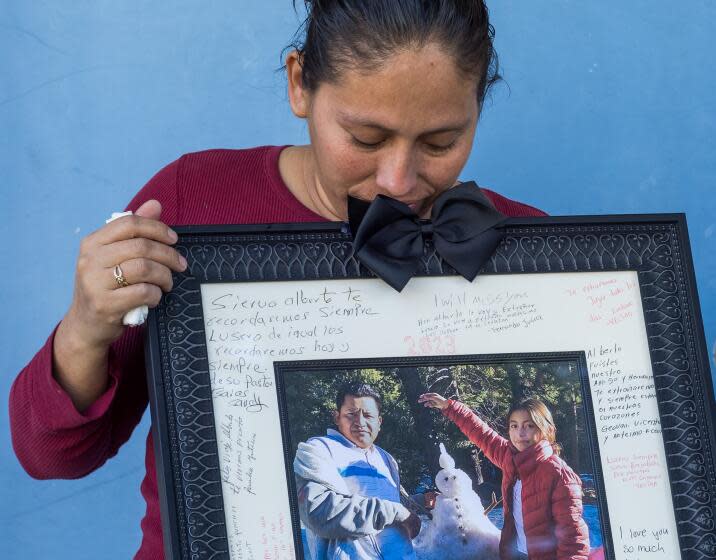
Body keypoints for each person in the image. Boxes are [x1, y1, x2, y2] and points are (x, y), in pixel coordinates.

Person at [9, 1, 546, 558]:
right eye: (365, 138)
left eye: (440, 143)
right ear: (299, 85)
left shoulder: (539, 254)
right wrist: (87, 324)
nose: (397, 179)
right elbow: (51, 457)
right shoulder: (196, 201)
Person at [418, 393, 590, 560]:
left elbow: (573, 538)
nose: (520, 434)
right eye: (514, 426)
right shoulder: (511, 457)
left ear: (547, 429)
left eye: (529, 426)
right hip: (513, 553)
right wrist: (450, 407)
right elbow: (482, 434)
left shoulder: (559, 474)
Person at [294, 383, 420, 559]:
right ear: (337, 417)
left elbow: (393, 504)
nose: (360, 422)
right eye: (351, 414)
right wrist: (396, 512)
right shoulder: (317, 450)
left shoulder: (387, 459)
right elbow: (317, 512)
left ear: (379, 421)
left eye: (368, 415)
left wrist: (421, 500)